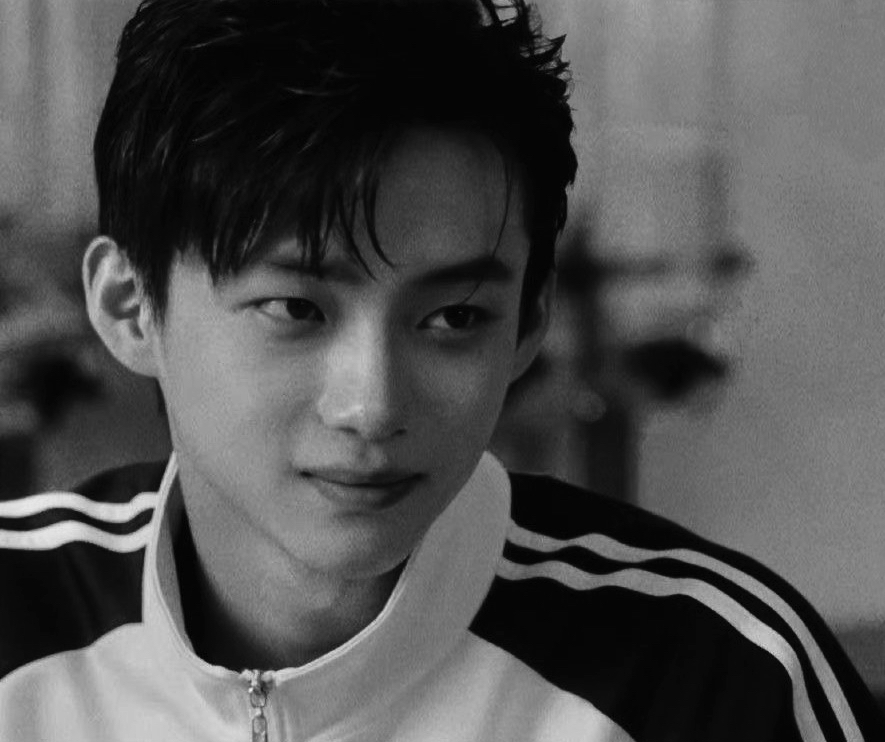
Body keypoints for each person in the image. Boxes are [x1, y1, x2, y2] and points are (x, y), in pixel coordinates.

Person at [0, 0, 881, 739]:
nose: (371, 404)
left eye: (454, 318)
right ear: (130, 306)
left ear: (528, 322)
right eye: (296, 309)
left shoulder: (720, 679)